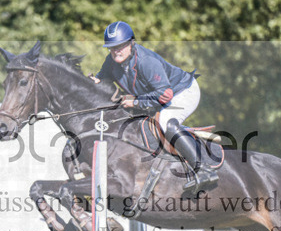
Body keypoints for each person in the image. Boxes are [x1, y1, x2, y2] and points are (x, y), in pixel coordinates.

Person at [89, 20, 218, 191]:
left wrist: (135, 102)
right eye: (112, 47)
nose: (116, 51)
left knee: (165, 121)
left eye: (120, 45)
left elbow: (165, 95)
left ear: (131, 43)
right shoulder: (111, 62)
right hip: (159, 96)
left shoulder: (146, 61)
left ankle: (203, 169)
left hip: (183, 92)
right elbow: (101, 81)